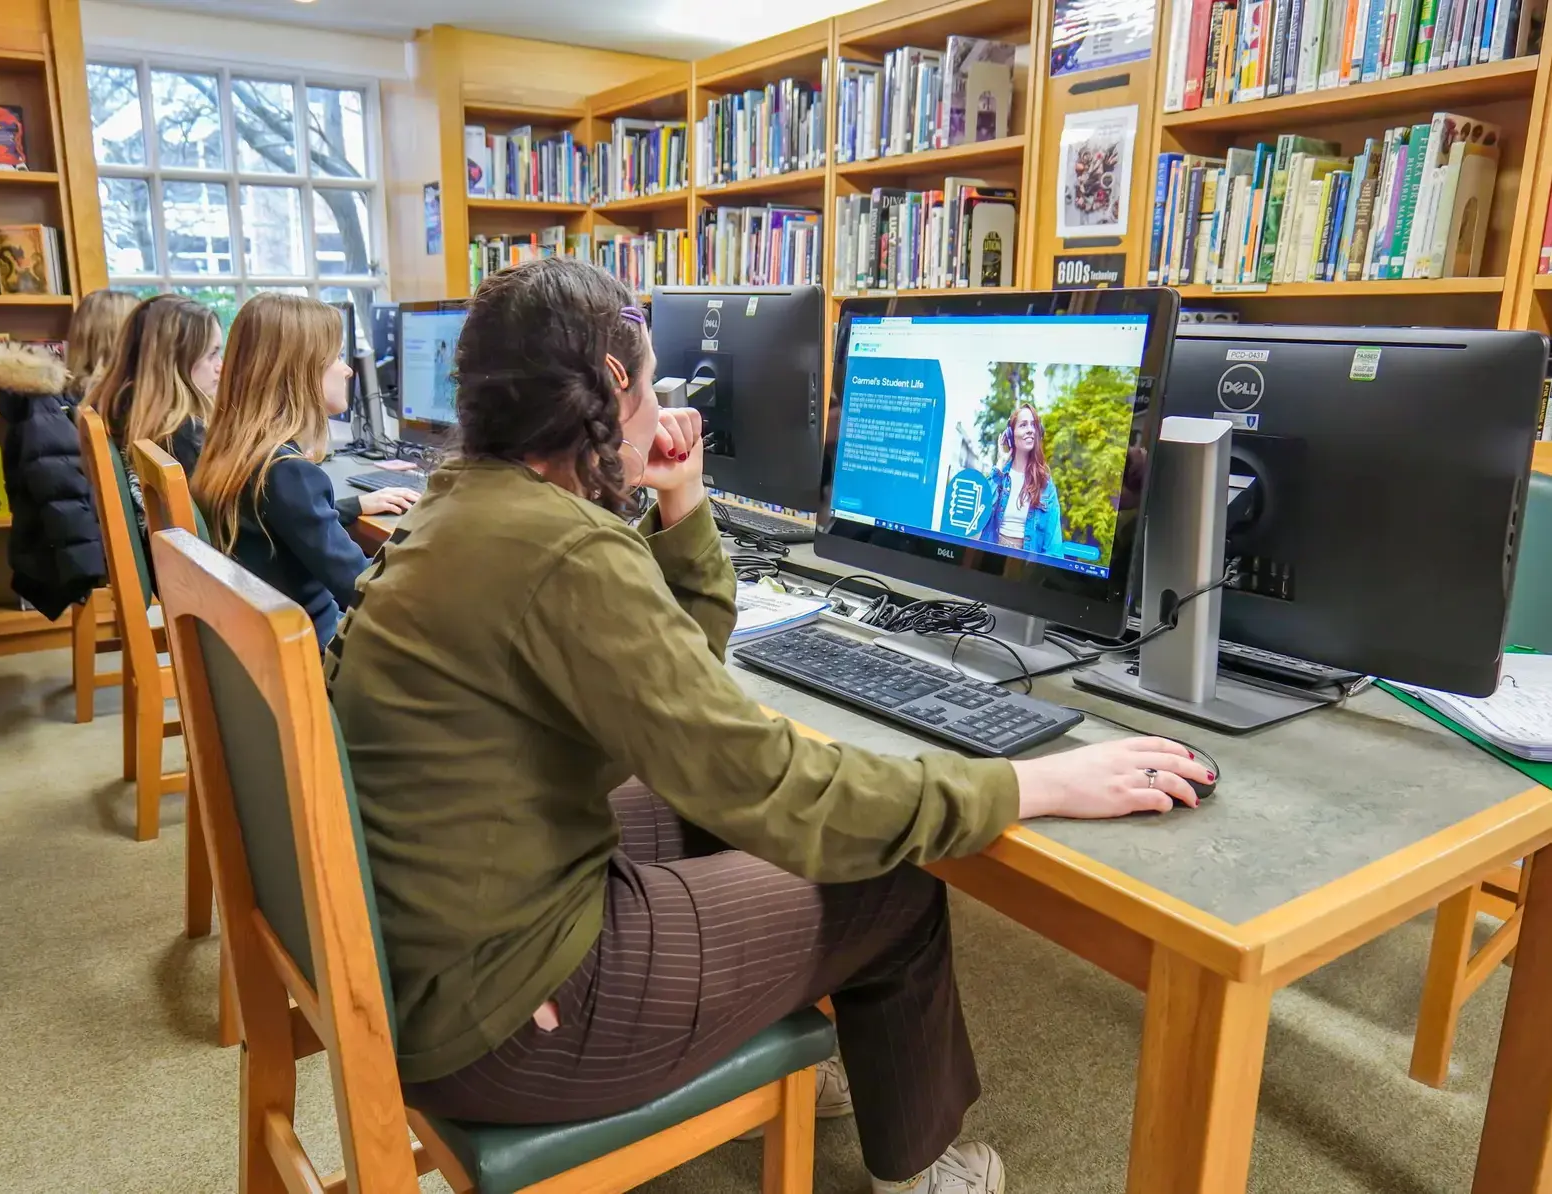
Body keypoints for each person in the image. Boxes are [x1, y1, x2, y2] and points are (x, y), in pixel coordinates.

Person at [325, 258, 1214, 1194]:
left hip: (437, 935)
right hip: (505, 1015)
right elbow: (774, 785)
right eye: (653, 371)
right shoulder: (562, 551)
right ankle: (924, 1171)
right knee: (894, 887)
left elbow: (677, 675)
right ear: (616, 383)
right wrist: (1033, 784)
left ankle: (773, 1021)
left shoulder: (469, 504)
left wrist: (682, 500)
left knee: (708, 805)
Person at [192, 293, 417, 647]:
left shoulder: (236, 454)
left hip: (266, 644)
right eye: (337, 356)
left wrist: (354, 507)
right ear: (300, 370)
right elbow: (361, 587)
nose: (348, 369)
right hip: (314, 652)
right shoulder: (287, 471)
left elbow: (287, 522)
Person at [0, 288, 137, 619]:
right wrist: (93, 567)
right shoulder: (64, 406)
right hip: (93, 555)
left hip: (92, 546)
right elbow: (65, 496)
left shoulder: (77, 400)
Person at [83, 294, 223, 540]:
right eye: (212, 354)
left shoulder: (118, 414)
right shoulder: (181, 435)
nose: (220, 366)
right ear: (175, 360)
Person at [972, 401, 1064, 557]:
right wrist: (998, 469)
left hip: (1027, 566)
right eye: (1023, 425)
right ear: (1010, 434)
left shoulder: (1045, 485)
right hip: (991, 560)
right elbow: (978, 517)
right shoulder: (998, 478)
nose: (1030, 430)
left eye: (1034, 425)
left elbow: (1053, 546)